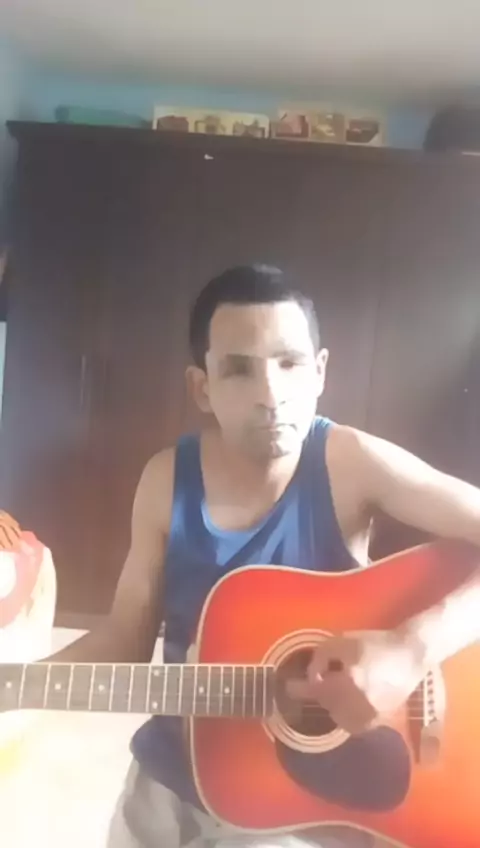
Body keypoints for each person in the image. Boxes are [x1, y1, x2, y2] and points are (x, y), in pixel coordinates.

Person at [51, 265, 480, 848]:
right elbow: (124, 639)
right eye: (238, 369)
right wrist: (13, 686)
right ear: (202, 388)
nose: (271, 395)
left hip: (300, 797)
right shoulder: (165, 481)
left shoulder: (351, 464)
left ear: (320, 371)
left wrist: (411, 648)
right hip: (172, 774)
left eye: (290, 363)